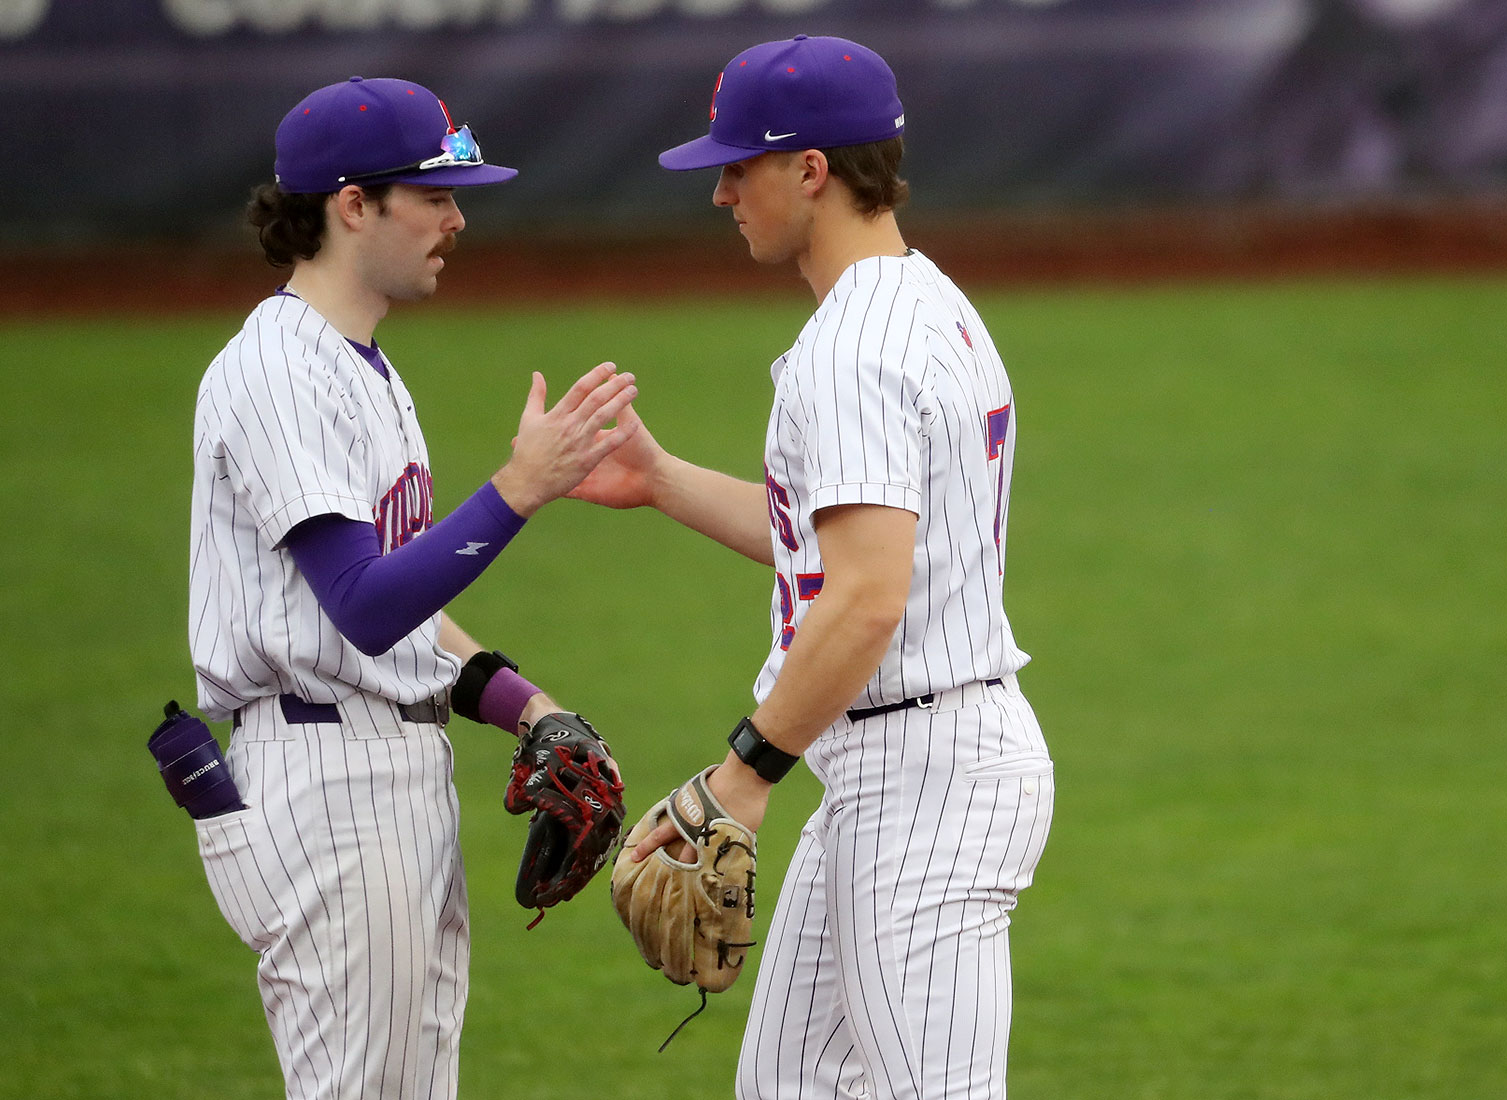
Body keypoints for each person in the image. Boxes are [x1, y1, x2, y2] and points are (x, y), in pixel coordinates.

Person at [571, 35, 1056, 1100]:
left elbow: (870, 595)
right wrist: (659, 478)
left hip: (927, 779)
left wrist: (743, 773)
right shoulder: (924, 299)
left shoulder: (852, 350)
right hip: (898, 764)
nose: (721, 192)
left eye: (737, 165)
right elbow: (844, 547)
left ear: (812, 170)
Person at [185, 76, 636, 1100]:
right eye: (433, 196)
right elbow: (366, 603)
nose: (457, 218)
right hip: (324, 780)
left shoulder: (364, 369)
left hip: (379, 770)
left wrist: (533, 707)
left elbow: (410, 612)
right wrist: (518, 488)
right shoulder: (277, 371)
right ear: (353, 204)